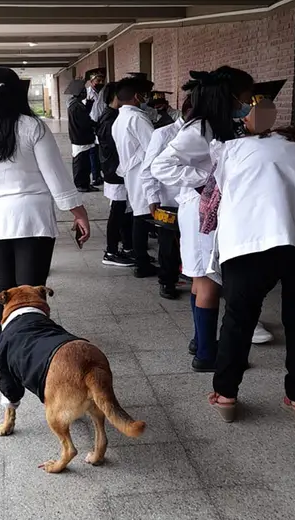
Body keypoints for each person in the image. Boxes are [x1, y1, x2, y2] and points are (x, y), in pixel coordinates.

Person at [205, 102, 295, 426]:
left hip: (252, 239)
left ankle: (226, 394)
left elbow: (210, 183)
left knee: (239, 318)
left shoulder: (236, 148)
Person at [151, 67, 272, 372]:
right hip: (202, 211)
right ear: (230, 96)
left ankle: (201, 341)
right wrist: (207, 178)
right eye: (247, 97)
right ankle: (206, 354)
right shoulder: (200, 128)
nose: (249, 103)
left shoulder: (217, 125)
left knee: (199, 277)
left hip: (206, 210)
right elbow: (161, 166)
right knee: (208, 281)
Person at [0, 67, 91, 329]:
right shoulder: (31, 126)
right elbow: (56, 176)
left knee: (1, 282)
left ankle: (4, 340)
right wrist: (78, 212)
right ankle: (28, 339)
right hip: (31, 217)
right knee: (29, 286)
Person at [140, 95, 193, 299]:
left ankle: (193, 274)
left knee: (193, 240)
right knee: (168, 244)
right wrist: (152, 197)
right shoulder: (163, 133)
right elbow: (148, 169)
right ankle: (167, 281)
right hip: (169, 199)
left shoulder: (206, 133)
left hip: (195, 199)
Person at [112, 76, 159, 279]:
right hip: (143, 173)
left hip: (133, 173)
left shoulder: (120, 118)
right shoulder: (137, 118)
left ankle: (141, 259)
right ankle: (142, 263)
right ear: (138, 97)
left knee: (138, 215)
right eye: (145, 95)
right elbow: (154, 147)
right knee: (142, 217)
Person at [95, 82, 134, 267]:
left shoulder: (113, 116)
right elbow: (115, 148)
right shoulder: (109, 119)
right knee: (117, 211)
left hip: (117, 171)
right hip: (115, 172)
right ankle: (110, 251)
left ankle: (127, 247)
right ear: (116, 97)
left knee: (125, 210)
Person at [66, 79, 98, 193]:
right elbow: (84, 121)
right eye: (83, 91)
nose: (85, 93)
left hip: (80, 138)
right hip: (80, 138)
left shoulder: (75, 104)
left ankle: (84, 183)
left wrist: (88, 106)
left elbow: (84, 117)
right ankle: (81, 184)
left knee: (84, 163)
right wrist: (96, 125)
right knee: (81, 163)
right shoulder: (76, 106)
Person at [85, 68, 107, 186]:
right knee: (93, 152)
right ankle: (95, 176)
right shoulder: (86, 93)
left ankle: (101, 174)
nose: (100, 83)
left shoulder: (105, 92)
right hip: (92, 124)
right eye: (98, 80)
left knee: (102, 151)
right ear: (92, 81)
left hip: (103, 124)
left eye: (102, 80)